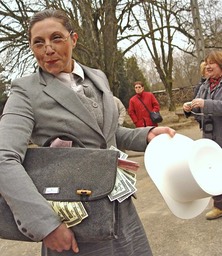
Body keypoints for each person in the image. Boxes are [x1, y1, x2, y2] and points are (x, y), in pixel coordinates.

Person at [0, 9, 175, 256]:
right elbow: (3, 159)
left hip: (121, 210)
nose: (47, 48)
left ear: (74, 39)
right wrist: (45, 225)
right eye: (38, 42)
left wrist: (145, 135)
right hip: (74, 222)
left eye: (56, 38)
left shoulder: (98, 78)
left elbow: (108, 135)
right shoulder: (25, 92)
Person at [183, 49, 222, 221]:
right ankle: (219, 205)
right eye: (206, 62)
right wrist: (190, 107)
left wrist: (206, 103)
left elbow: (212, 105)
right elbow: (199, 105)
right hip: (209, 135)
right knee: (213, 169)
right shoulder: (205, 84)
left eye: (211, 62)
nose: (207, 66)